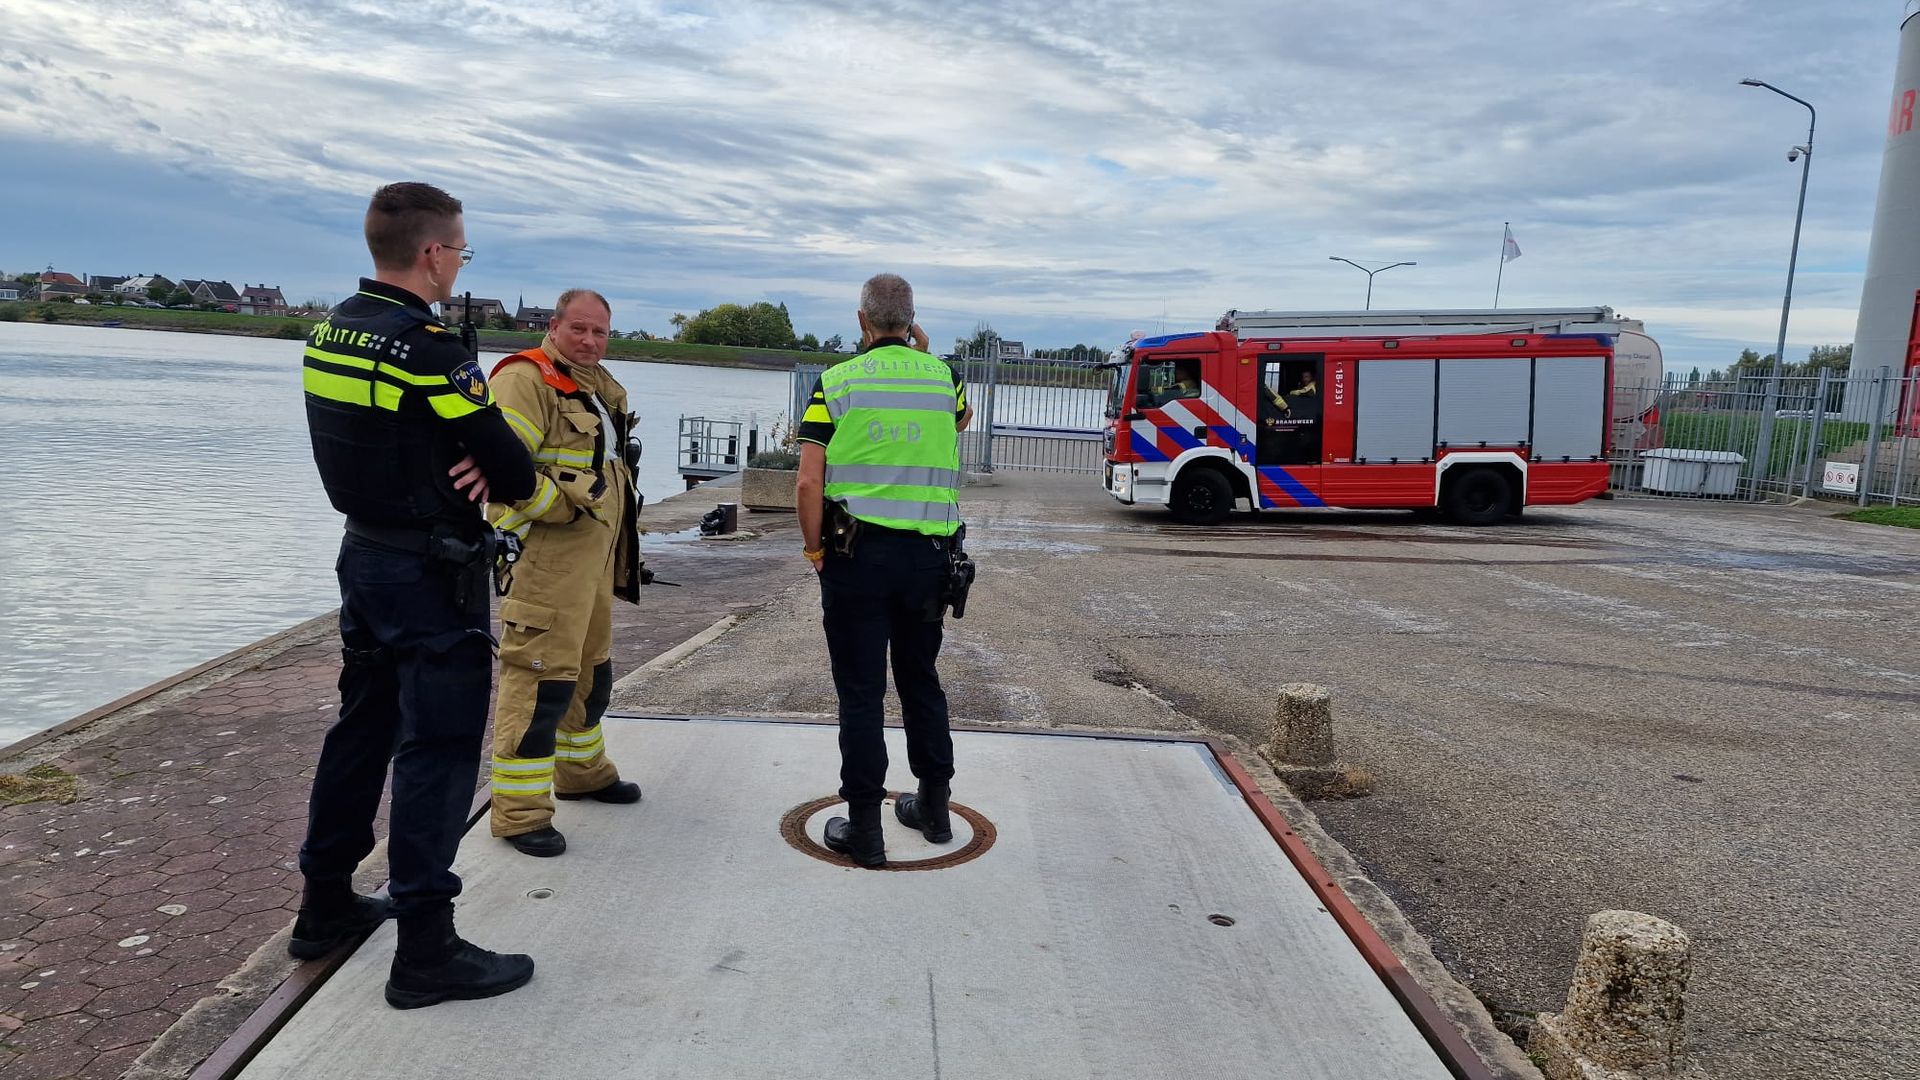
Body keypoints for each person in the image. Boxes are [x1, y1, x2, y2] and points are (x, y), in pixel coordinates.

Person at [296, 182, 537, 1009]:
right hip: (432, 573)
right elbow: (512, 469)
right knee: (436, 748)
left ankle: (322, 905)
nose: (459, 262)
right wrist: (461, 457)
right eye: (460, 250)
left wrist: (445, 447)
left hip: (362, 555)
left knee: (360, 727)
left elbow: (384, 434)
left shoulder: (331, 329)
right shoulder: (429, 347)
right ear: (432, 253)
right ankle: (426, 948)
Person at [795, 273, 971, 868]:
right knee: (921, 678)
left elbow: (807, 481)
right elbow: (960, 421)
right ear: (912, 319)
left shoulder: (835, 383)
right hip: (929, 561)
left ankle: (865, 828)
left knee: (862, 693)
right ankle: (935, 808)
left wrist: (815, 550)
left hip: (857, 560)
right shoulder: (945, 377)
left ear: (862, 321)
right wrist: (925, 356)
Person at [485, 289, 647, 857]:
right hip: (546, 558)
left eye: (600, 332)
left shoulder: (596, 384)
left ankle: (582, 772)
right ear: (553, 326)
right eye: (578, 329)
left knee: (589, 669)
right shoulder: (522, 379)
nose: (590, 341)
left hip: (594, 559)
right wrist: (564, 508)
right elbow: (502, 471)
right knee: (537, 676)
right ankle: (519, 811)